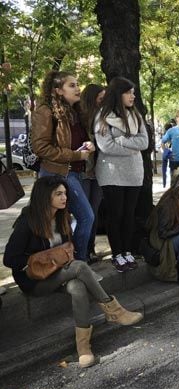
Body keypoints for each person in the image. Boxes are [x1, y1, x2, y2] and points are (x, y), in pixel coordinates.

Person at [3, 176, 143, 368]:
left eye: (65, 194)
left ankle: (83, 348)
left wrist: (63, 255)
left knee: (77, 286)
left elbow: (68, 250)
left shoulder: (63, 217)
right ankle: (114, 311)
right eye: (59, 194)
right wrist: (42, 258)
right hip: (35, 281)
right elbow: (9, 259)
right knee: (79, 266)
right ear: (45, 196)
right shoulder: (27, 222)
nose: (64, 198)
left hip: (60, 273)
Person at [31, 71, 95, 262]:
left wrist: (88, 144)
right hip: (55, 174)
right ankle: (76, 262)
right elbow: (40, 147)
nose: (78, 88)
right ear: (58, 90)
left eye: (77, 84)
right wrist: (76, 155)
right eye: (72, 85)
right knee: (84, 217)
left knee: (74, 220)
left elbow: (78, 139)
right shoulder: (45, 110)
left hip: (74, 173)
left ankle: (72, 262)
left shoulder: (76, 110)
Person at [94, 77, 149, 272]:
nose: (133, 96)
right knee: (115, 214)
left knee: (129, 214)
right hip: (111, 173)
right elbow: (105, 146)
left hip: (134, 172)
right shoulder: (103, 116)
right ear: (118, 94)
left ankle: (127, 251)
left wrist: (123, 141)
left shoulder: (136, 116)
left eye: (133, 92)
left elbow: (144, 143)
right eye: (129, 92)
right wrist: (131, 146)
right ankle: (117, 253)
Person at [79, 84, 105, 263]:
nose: (103, 101)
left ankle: (90, 249)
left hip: (99, 171)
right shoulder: (80, 116)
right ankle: (81, 251)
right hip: (83, 170)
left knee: (94, 211)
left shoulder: (103, 116)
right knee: (85, 212)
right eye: (100, 97)